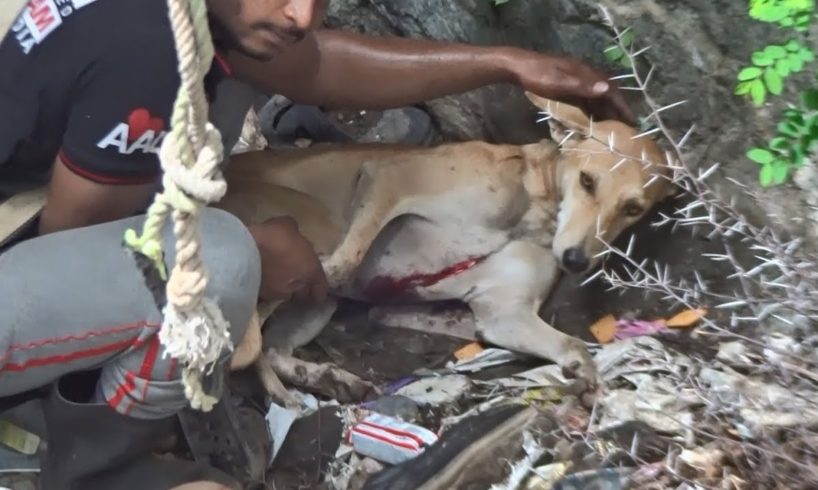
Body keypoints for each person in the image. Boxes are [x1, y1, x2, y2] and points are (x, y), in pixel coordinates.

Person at [0, 0, 632, 488]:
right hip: (27, 246)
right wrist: (258, 247)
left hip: (32, 192)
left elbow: (320, 64)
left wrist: (503, 62)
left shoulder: (198, 17)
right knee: (221, 259)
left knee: (242, 75)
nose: (302, 14)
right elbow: (76, 232)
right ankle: (99, 465)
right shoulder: (145, 46)